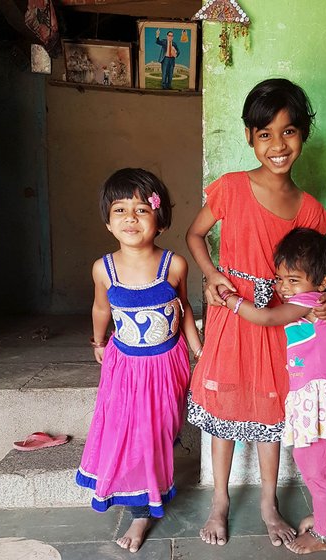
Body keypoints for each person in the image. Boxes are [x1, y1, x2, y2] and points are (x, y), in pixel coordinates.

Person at [186, 78, 326, 547]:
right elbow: (195, 236)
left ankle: (268, 503)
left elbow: (325, 273)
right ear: (248, 137)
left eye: (289, 132)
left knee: (270, 411)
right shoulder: (232, 188)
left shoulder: (312, 211)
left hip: (282, 326)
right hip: (231, 315)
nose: (278, 145)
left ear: (303, 135)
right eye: (265, 134)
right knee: (226, 405)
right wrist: (213, 274)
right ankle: (220, 500)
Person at [219, 227, 326, 553]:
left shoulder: (309, 302)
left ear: (321, 283)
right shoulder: (316, 296)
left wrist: (231, 300)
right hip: (315, 398)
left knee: (318, 471)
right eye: (281, 279)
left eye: (293, 280)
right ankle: (323, 518)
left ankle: (325, 536)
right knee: (314, 466)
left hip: (319, 399)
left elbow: (266, 318)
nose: (284, 287)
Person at [76, 168, 202, 553]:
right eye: (120, 209)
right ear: (108, 221)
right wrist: (98, 341)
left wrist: (200, 351)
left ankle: (156, 477)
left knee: (162, 426)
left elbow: (184, 312)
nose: (131, 217)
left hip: (167, 364)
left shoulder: (174, 264)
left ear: (160, 220)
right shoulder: (104, 268)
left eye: (142, 209)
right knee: (131, 431)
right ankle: (141, 511)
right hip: (125, 366)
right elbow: (101, 308)